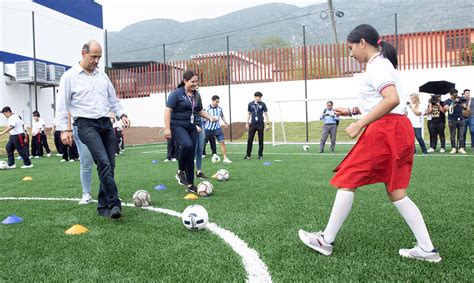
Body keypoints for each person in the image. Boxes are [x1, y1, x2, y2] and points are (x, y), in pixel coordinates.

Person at [298, 24, 441, 262]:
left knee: (347, 179)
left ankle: (326, 240)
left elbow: (391, 99)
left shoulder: (377, 66)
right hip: (398, 129)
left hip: (385, 130)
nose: (350, 53)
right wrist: (352, 111)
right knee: (397, 191)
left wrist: (358, 123)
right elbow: (383, 101)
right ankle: (427, 249)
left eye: (351, 47)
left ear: (362, 43)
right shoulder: (383, 65)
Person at [56, 40, 130, 219]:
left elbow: (113, 99)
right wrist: (63, 131)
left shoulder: (102, 76)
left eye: (99, 57)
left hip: (106, 123)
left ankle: (103, 206)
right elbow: (62, 105)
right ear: (83, 53)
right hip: (85, 125)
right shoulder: (69, 76)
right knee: (103, 162)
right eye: (93, 57)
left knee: (110, 165)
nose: (97, 61)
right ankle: (115, 203)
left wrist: (122, 114)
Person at [163, 70, 217, 193]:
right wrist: (167, 129)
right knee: (187, 145)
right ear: (185, 81)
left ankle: (190, 184)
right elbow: (167, 111)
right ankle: (180, 171)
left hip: (192, 125)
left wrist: (209, 117)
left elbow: (199, 110)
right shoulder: (176, 94)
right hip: (177, 125)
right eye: (192, 82)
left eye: (197, 82)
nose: (195, 84)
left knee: (191, 152)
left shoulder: (196, 95)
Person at [203, 95, 232, 163]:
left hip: (217, 128)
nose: (217, 103)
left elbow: (222, 115)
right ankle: (196, 157)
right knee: (202, 144)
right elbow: (203, 119)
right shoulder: (206, 109)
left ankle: (225, 158)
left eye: (218, 102)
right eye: (216, 101)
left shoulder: (219, 108)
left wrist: (225, 122)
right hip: (208, 129)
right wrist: (210, 119)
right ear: (212, 100)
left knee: (222, 142)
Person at [244, 91, 269, 160]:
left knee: (261, 140)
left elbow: (266, 114)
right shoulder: (250, 104)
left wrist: (267, 124)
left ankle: (260, 155)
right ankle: (248, 155)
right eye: (259, 97)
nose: (260, 98)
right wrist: (247, 123)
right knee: (250, 139)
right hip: (253, 124)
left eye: (261, 97)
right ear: (255, 97)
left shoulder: (263, 104)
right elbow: (249, 113)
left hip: (260, 124)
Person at [443, 88, 467, 154]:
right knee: (452, 134)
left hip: (461, 119)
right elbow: (446, 108)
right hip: (452, 120)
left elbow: (465, 107)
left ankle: (461, 148)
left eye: (456, 94)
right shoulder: (447, 101)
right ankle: (453, 147)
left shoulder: (460, 99)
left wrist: (461, 102)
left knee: (461, 135)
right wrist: (454, 103)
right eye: (454, 95)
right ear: (450, 94)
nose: (455, 96)